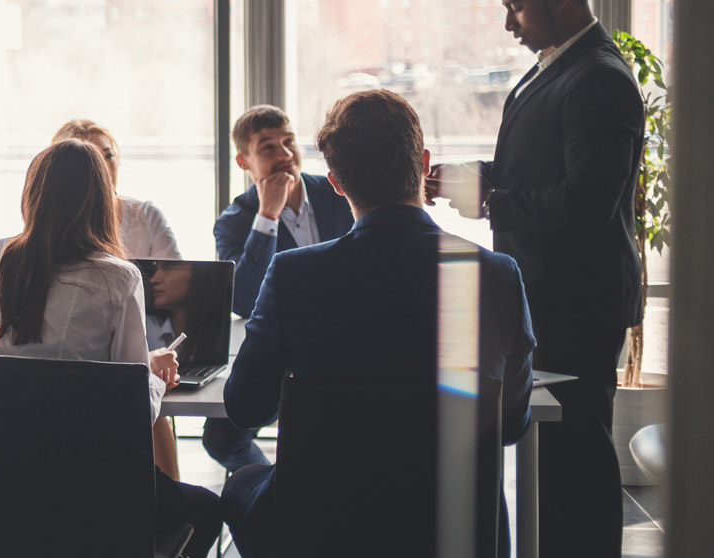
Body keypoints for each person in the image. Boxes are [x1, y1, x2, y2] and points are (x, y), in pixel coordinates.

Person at [218, 90, 537, 558]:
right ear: (423, 162)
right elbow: (510, 426)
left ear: (338, 183)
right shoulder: (496, 274)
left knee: (243, 484)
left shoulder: (294, 276)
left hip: (326, 525)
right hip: (453, 525)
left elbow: (244, 409)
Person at [428, 0, 642, 558]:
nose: (507, 22)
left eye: (516, 6)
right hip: (549, 295)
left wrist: (492, 204)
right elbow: (535, 162)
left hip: (577, 304)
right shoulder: (559, 63)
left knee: (579, 460)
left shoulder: (599, 77)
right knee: (557, 459)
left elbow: (587, 202)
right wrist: (467, 177)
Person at [0, 140, 223, 558]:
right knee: (207, 509)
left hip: (9, 480)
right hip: (94, 483)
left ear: (32, 194)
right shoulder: (117, 279)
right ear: (100, 202)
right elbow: (134, 409)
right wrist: (153, 378)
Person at [205, 105, 356, 472]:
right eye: (268, 147)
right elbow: (242, 301)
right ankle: (276, 487)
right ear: (244, 161)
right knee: (222, 436)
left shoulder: (340, 193)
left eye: (288, 142)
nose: (285, 155)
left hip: (347, 345)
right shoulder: (233, 222)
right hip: (280, 351)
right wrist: (267, 217)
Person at [55, 120, 189, 481]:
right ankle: (160, 507)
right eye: (88, 162)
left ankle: (160, 498)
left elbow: (176, 283)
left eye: (108, 156)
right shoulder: (119, 274)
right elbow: (134, 397)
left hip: (146, 338)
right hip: (104, 367)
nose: (101, 168)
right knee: (146, 400)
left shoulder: (143, 216)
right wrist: (151, 373)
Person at [53, 120, 182, 259]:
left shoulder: (147, 216)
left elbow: (176, 277)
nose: (105, 168)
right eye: (93, 160)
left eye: (108, 156)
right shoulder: (50, 226)